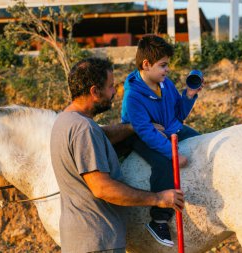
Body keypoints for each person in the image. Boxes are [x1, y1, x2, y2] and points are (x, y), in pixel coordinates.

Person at [50, 57, 184, 253]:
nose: (114, 92)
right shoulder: (83, 129)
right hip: (99, 242)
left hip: (82, 241)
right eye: (110, 87)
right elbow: (102, 188)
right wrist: (158, 199)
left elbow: (101, 136)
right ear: (94, 91)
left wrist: (134, 127)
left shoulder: (65, 121)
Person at [121, 34, 203, 247]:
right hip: (138, 134)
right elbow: (145, 131)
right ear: (146, 65)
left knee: (200, 142)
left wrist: (189, 95)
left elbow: (178, 114)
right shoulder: (133, 96)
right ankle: (158, 220)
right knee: (164, 162)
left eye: (167, 65)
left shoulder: (165, 84)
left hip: (169, 128)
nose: (167, 70)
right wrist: (172, 153)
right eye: (163, 65)